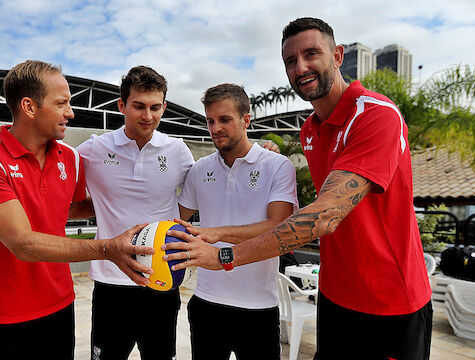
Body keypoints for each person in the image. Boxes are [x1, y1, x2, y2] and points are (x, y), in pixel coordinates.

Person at [165, 18, 433, 359]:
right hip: (335, 297)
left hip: (391, 300)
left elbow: (323, 217)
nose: (300, 67)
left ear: (337, 56)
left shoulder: (375, 115)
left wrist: (223, 255)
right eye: (290, 61)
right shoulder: (309, 130)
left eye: (311, 54)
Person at [0, 60, 153, 360]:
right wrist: (107, 249)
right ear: (29, 106)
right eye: (61, 103)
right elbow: (22, 243)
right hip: (10, 314)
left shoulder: (71, 158)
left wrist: (138, 202)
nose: (70, 113)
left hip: (62, 305)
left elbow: (71, 208)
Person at [72, 65, 195, 360]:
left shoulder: (178, 151)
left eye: (155, 107)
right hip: (111, 282)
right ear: (122, 105)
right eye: (138, 106)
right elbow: (49, 171)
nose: (148, 115)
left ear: (164, 107)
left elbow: (201, 194)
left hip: (161, 280)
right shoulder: (93, 149)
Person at [176, 83, 297, 359]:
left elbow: (279, 229)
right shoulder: (199, 169)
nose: (215, 128)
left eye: (224, 120)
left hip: (258, 308)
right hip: (206, 302)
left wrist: (218, 233)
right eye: (210, 120)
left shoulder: (277, 166)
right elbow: (173, 220)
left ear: (246, 120)